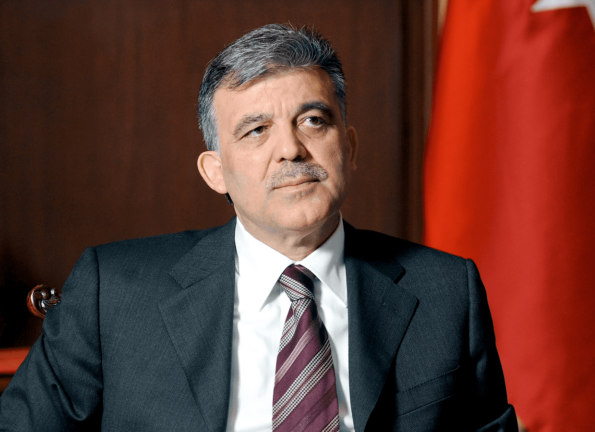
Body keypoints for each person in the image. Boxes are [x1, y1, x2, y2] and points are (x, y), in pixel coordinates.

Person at [0, 24, 516, 431]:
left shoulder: (447, 292)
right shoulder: (112, 294)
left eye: (313, 121)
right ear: (215, 172)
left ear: (349, 147)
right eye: (256, 130)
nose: (291, 149)